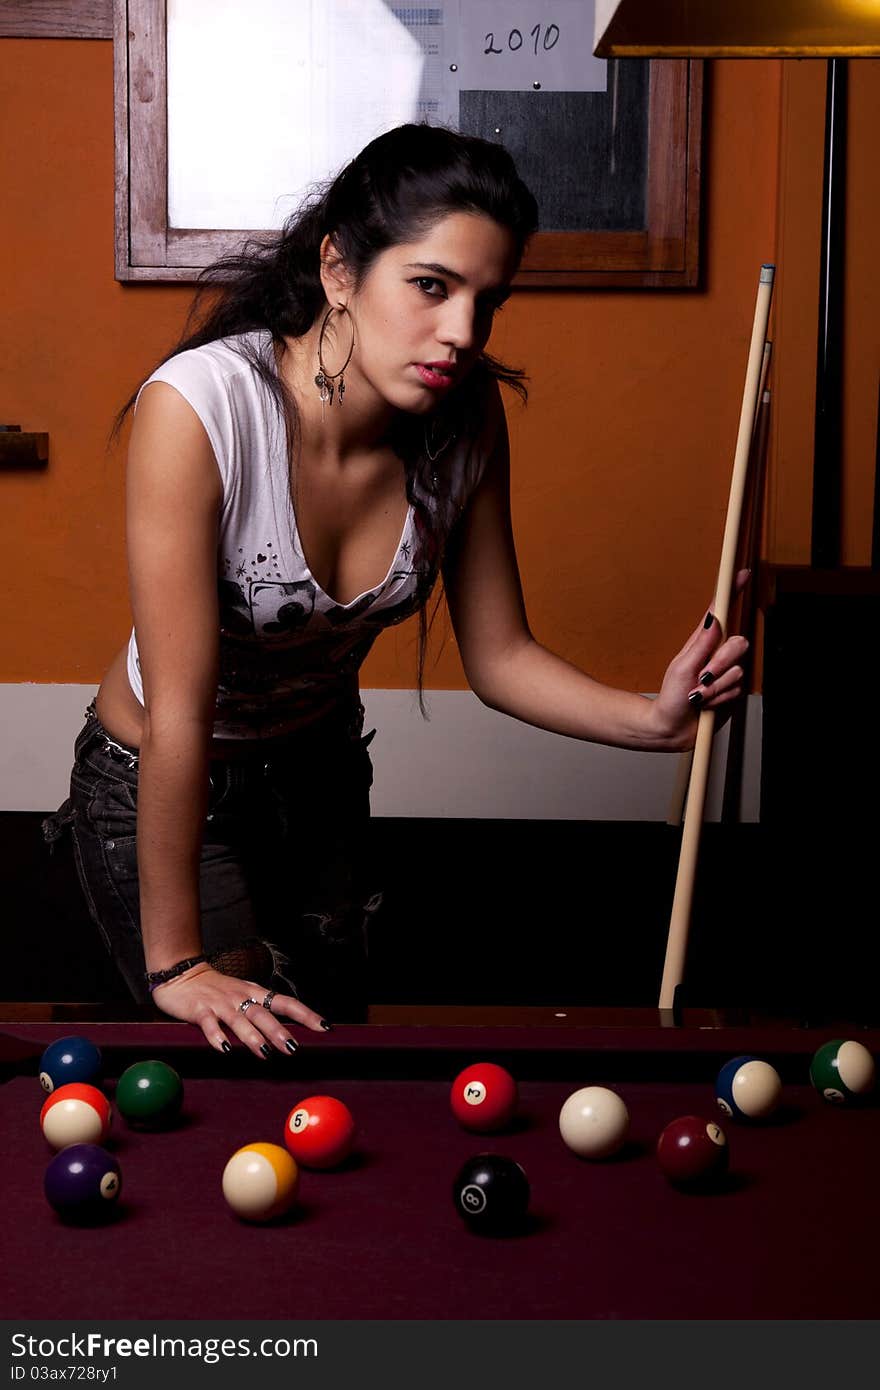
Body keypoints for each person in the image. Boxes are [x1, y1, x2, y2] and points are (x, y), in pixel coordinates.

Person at [43, 123, 748, 1058]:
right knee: (242, 1063)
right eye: (431, 286)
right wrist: (176, 962)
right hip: (163, 785)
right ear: (339, 269)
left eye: (486, 301)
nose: (461, 333)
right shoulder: (202, 407)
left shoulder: (465, 420)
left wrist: (651, 722)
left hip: (318, 778)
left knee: (337, 1059)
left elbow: (500, 658)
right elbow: (181, 708)